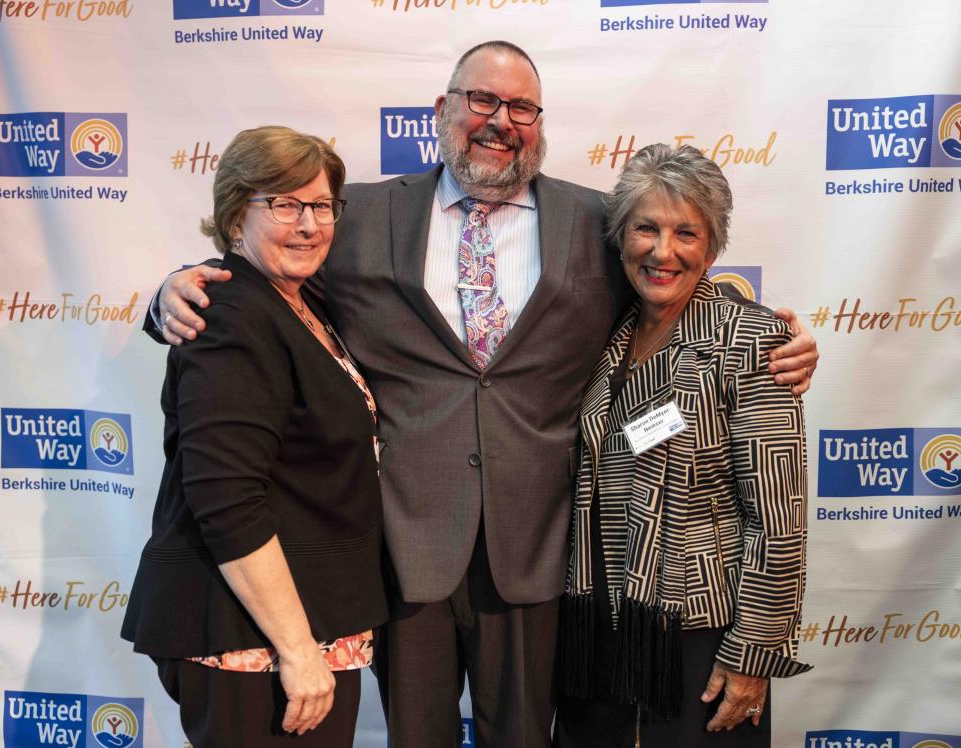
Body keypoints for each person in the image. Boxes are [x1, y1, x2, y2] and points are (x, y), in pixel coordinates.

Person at [147, 42, 819, 748]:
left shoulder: (596, 224)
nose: (501, 120)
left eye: (522, 107)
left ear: (540, 122)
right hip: (403, 548)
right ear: (443, 110)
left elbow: (676, 279)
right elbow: (269, 271)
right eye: (482, 100)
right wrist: (174, 292)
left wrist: (776, 339)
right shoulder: (360, 216)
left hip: (539, 554)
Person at [121, 126, 386, 748]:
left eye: (321, 206)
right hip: (254, 639)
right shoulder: (230, 312)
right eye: (284, 204)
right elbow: (226, 495)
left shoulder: (293, 299)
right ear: (236, 213)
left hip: (303, 625)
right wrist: (297, 651)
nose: (308, 224)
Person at [553, 143, 810, 748]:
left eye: (686, 233)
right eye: (646, 227)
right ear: (620, 240)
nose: (662, 251)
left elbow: (778, 521)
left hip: (701, 635)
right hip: (597, 627)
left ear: (713, 248)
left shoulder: (751, 340)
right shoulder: (605, 333)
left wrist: (754, 654)